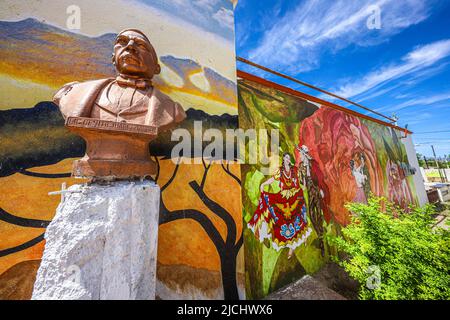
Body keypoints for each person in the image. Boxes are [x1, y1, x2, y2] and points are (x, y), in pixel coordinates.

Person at [53, 28, 186, 131]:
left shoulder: (171, 109)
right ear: (113, 58)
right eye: (122, 42)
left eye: (141, 45)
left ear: (156, 68)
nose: (130, 46)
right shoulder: (74, 93)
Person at [248, 152, 311, 259]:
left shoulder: (294, 170)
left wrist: (303, 184)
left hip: (295, 197)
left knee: (298, 219)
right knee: (279, 215)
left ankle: (298, 241)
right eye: (286, 157)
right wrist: (264, 184)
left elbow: (301, 179)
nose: (287, 159)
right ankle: (282, 240)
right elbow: (273, 179)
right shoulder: (280, 170)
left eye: (289, 158)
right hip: (283, 198)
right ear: (283, 159)